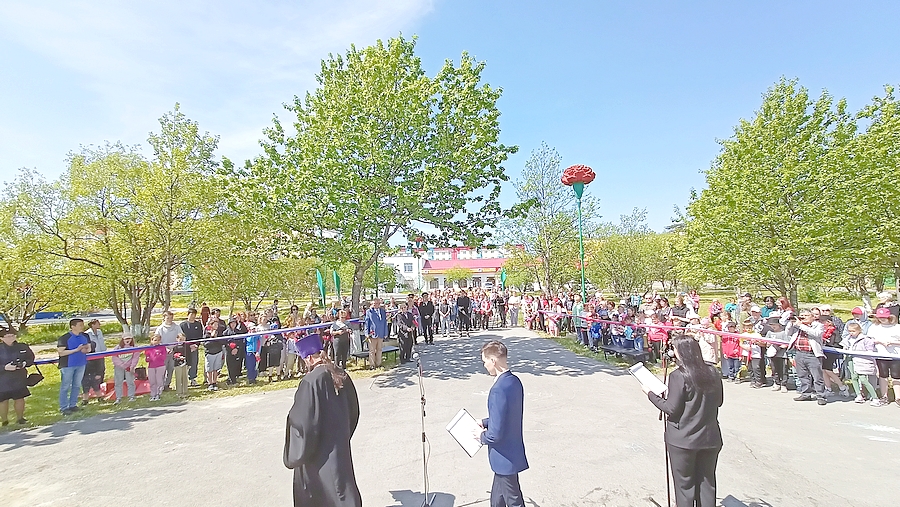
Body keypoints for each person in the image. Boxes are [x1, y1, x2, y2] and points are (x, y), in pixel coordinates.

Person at [643, 336, 723, 507]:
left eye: (675, 349)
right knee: (707, 484)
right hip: (710, 438)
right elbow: (719, 401)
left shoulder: (678, 376)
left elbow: (671, 408)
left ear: (681, 352)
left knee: (684, 486)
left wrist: (650, 394)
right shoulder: (712, 372)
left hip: (684, 440)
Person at [284, 333, 361, 507]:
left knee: (322, 493)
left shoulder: (310, 381)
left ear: (309, 358)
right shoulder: (341, 374)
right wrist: (343, 434)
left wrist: (291, 420)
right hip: (339, 446)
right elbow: (354, 410)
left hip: (317, 452)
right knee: (342, 488)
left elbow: (302, 422)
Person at [476, 340, 528, 507]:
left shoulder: (498, 389)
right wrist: (484, 422)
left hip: (503, 456)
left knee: (514, 501)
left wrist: (480, 436)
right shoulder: (514, 381)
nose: (484, 365)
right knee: (497, 500)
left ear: (493, 361)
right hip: (511, 453)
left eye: (485, 361)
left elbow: (495, 435)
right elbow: (508, 415)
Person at [787, 309, 827, 405]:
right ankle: (806, 394)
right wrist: (791, 323)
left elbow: (816, 334)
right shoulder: (798, 325)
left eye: (806, 315)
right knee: (802, 375)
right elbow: (788, 333)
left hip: (812, 354)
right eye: (802, 315)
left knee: (817, 377)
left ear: (812, 317)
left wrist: (801, 325)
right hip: (799, 353)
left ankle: (821, 396)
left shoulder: (818, 325)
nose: (803, 317)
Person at [0, 331, 35, 426]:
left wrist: (24, 363)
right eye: (8, 336)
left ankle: (20, 418)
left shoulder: (22, 346)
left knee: (19, 398)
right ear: (2, 338)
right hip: (3, 379)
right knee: (3, 400)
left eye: (12, 335)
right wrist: (4, 367)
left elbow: (31, 358)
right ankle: (4, 421)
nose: (11, 338)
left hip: (19, 377)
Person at [57, 318, 91, 414]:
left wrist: (85, 349)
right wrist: (76, 350)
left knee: (76, 385)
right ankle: (63, 407)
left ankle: (73, 405)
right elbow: (61, 352)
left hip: (81, 363)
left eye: (82, 325)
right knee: (65, 386)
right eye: (80, 325)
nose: (82, 327)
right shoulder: (65, 338)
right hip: (68, 365)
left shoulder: (85, 336)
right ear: (73, 327)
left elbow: (89, 348)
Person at [869, 307, 900, 407]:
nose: (882, 319)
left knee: (896, 376)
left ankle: (898, 397)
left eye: (884, 317)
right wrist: (879, 341)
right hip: (880, 354)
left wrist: (893, 342)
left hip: (895, 355)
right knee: (883, 376)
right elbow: (869, 340)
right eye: (880, 317)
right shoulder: (874, 327)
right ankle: (884, 396)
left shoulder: (897, 327)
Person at [844, 322, 880, 405]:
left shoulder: (865, 339)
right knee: (854, 377)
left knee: (863, 379)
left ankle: (875, 397)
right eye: (849, 331)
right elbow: (845, 346)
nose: (851, 333)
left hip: (862, 360)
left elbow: (870, 351)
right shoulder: (848, 338)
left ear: (859, 330)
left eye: (853, 331)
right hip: (850, 359)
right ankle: (858, 395)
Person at [153, 310, 185, 391]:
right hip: (163, 352)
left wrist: (175, 347)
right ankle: (160, 385)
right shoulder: (160, 329)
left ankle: (167, 384)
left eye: (171, 318)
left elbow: (181, 337)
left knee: (171, 369)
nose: (170, 320)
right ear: (164, 318)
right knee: (162, 369)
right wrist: (165, 348)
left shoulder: (177, 327)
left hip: (174, 352)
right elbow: (156, 340)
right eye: (168, 318)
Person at [111, 335, 139, 404]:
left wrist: (132, 366)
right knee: (118, 382)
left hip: (129, 367)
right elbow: (114, 358)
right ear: (122, 339)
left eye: (129, 338)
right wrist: (123, 365)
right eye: (126, 339)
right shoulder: (117, 348)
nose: (127, 340)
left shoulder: (134, 347)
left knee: (130, 381)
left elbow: (135, 358)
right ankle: (118, 397)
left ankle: (131, 396)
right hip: (119, 367)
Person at [180, 308, 204, 387]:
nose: (193, 316)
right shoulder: (182, 325)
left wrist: (196, 345)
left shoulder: (198, 324)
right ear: (188, 315)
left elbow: (200, 336)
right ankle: (184, 380)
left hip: (195, 347)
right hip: (185, 348)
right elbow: (181, 337)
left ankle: (193, 379)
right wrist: (188, 346)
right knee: (184, 363)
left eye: (194, 315)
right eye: (191, 314)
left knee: (194, 363)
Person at [364, 298, 388, 369]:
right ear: (372, 304)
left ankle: (378, 363)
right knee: (372, 350)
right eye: (374, 303)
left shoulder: (382, 311)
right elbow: (367, 323)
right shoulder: (369, 311)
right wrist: (367, 333)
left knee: (379, 349)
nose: (376, 305)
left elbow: (384, 322)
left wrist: (385, 332)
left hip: (381, 333)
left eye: (377, 303)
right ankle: (372, 365)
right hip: (372, 334)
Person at [145, 335, 167, 401]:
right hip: (151, 367)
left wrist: (159, 355)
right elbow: (147, 358)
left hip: (160, 366)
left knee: (159, 381)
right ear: (151, 340)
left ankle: (158, 394)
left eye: (158, 340)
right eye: (155, 340)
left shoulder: (162, 347)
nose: (156, 342)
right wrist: (149, 358)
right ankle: (153, 394)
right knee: (152, 381)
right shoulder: (148, 348)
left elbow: (164, 357)